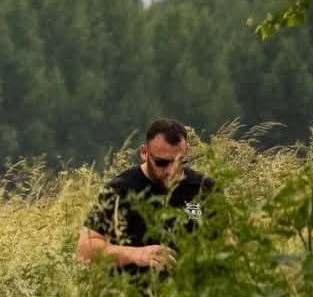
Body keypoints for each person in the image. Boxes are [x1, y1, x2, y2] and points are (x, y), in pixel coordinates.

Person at [78, 119, 214, 279]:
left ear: (187, 152)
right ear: (144, 152)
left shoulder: (203, 187)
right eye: (161, 163)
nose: (171, 171)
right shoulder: (120, 190)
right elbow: (85, 250)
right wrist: (136, 254)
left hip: (192, 296)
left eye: (179, 162)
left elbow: (228, 239)